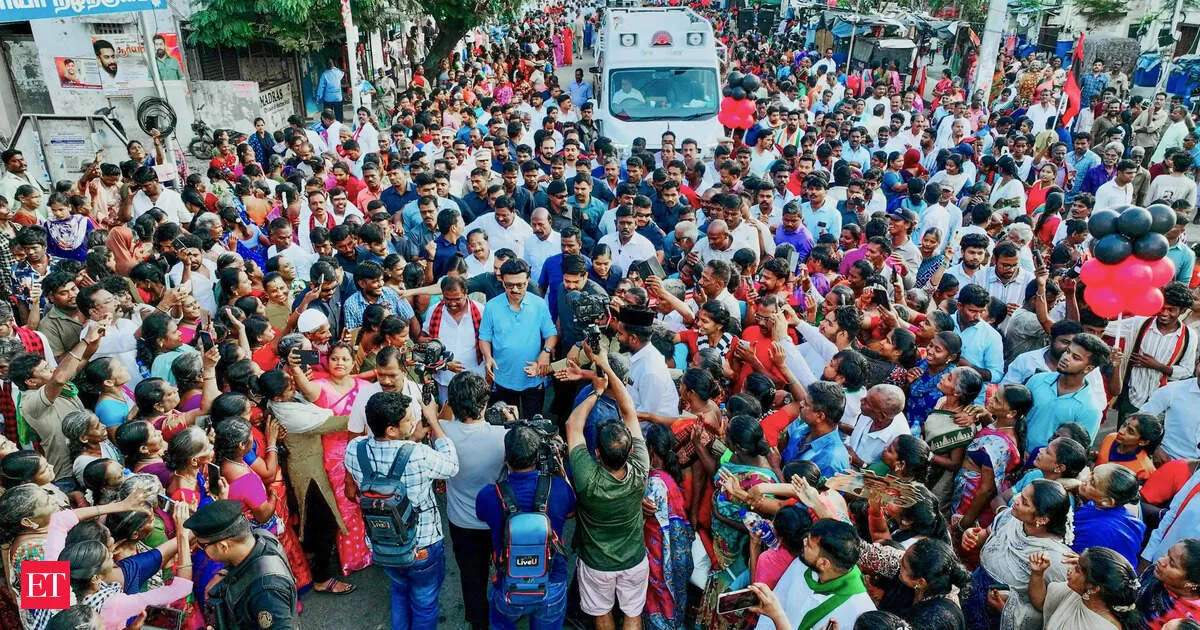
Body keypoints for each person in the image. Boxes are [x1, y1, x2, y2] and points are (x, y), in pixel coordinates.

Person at [345, 390, 458, 630]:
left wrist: (410, 437)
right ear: (391, 430)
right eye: (408, 419)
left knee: (399, 590)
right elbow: (451, 467)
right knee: (424, 601)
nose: (414, 421)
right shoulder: (418, 454)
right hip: (422, 543)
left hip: (383, 541)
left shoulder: (355, 449)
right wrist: (434, 422)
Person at [565, 341, 649, 630]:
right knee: (633, 615)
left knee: (602, 615)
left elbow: (573, 426)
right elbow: (629, 412)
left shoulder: (588, 478)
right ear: (630, 450)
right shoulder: (640, 468)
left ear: (597, 453)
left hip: (597, 563)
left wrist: (596, 391)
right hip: (634, 558)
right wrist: (610, 371)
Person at [440, 372, 507, 630]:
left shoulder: (442, 433)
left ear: (453, 403)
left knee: (471, 577)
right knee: (503, 569)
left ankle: (477, 621)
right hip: (497, 519)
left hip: (462, 523)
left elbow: (442, 416)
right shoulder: (502, 436)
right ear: (485, 403)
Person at [186, 499, 298, 629]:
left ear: (223, 546)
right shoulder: (260, 537)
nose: (200, 548)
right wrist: (224, 572)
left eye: (202, 545)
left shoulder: (266, 591)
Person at [753, 518, 876, 630]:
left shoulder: (859, 610)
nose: (804, 542)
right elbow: (776, 602)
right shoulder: (802, 564)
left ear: (823, 563)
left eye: (810, 545)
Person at [479, 258, 558, 417]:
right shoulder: (492, 306)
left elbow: (551, 334)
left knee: (534, 423)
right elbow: (484, 337)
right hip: (503, 377)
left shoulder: (538, 304)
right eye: (509, 285)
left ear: (528, 280)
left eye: (520, 285)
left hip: (533, 377)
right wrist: (487, 356)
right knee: (508, 425)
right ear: (502, 281)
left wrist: (546, 352)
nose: (515, 290)